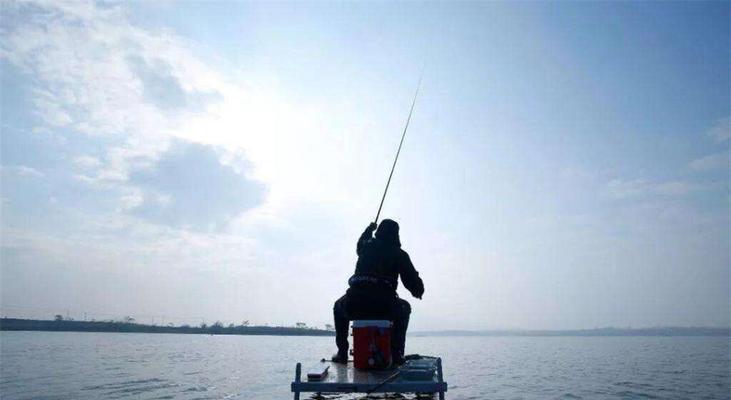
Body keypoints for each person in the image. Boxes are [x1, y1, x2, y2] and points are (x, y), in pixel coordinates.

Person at [332, 219, 424, 365]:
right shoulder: (399, 254)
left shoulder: (366, 247)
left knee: (338, 307)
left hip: (354, 305)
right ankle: (397, 353)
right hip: (384, 308)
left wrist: (369, 229)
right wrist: (418, 285)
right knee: (405, 308)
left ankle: (342, 353)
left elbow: (359, 244)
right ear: (397, 235)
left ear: (379, 231)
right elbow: (416, 288)